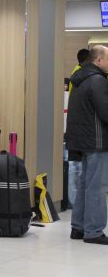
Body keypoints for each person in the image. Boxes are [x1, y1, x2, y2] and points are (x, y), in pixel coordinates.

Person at [66, 44, 108, 245]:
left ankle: (78, 227)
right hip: (96, 140)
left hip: (81, 140)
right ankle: (94, 231)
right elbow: (105, 112)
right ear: (98, 60)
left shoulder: (79, 79)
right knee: (97, 186)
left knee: (84, 184)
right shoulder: (97, 80)